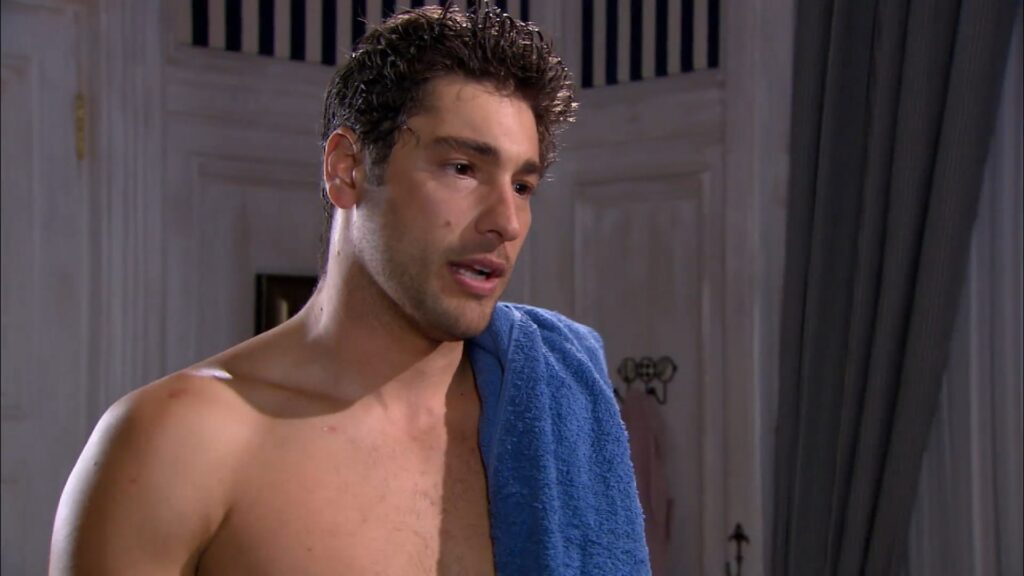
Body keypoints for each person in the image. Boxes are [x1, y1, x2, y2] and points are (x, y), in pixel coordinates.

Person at [50, 5, 649, 575]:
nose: (507, 222)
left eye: (522, 186)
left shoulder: (550, 420)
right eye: (463, 168)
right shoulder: (179, 445)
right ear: (347, 169)